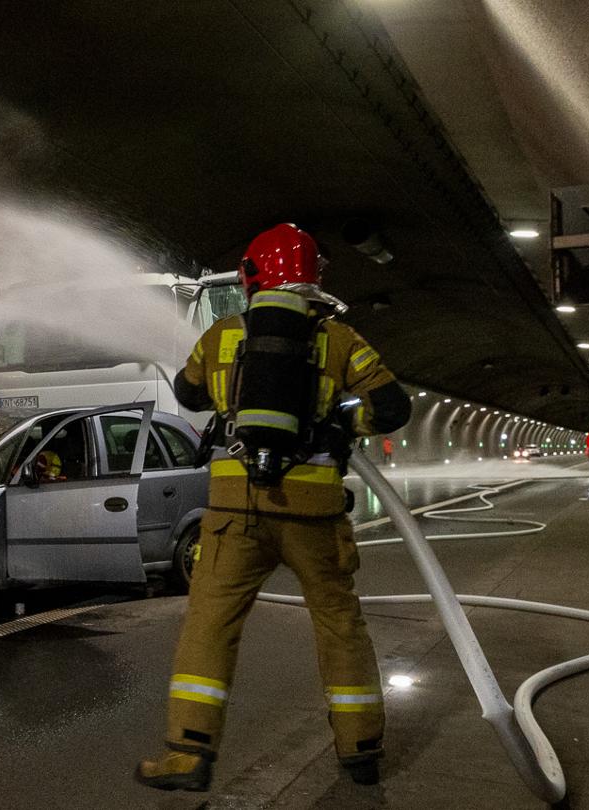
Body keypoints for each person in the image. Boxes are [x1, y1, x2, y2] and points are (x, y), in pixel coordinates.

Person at [134, 224, 412, 792]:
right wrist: (340, 424)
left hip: (235, 512)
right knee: (339, 624)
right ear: (312, 277)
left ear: (251, 274)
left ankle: (188, 753)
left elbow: (188, 395)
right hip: (314, 514)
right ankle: (360, 748)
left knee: (209, 626)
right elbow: (393, 408)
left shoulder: (221, 337)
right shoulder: (339, 339)